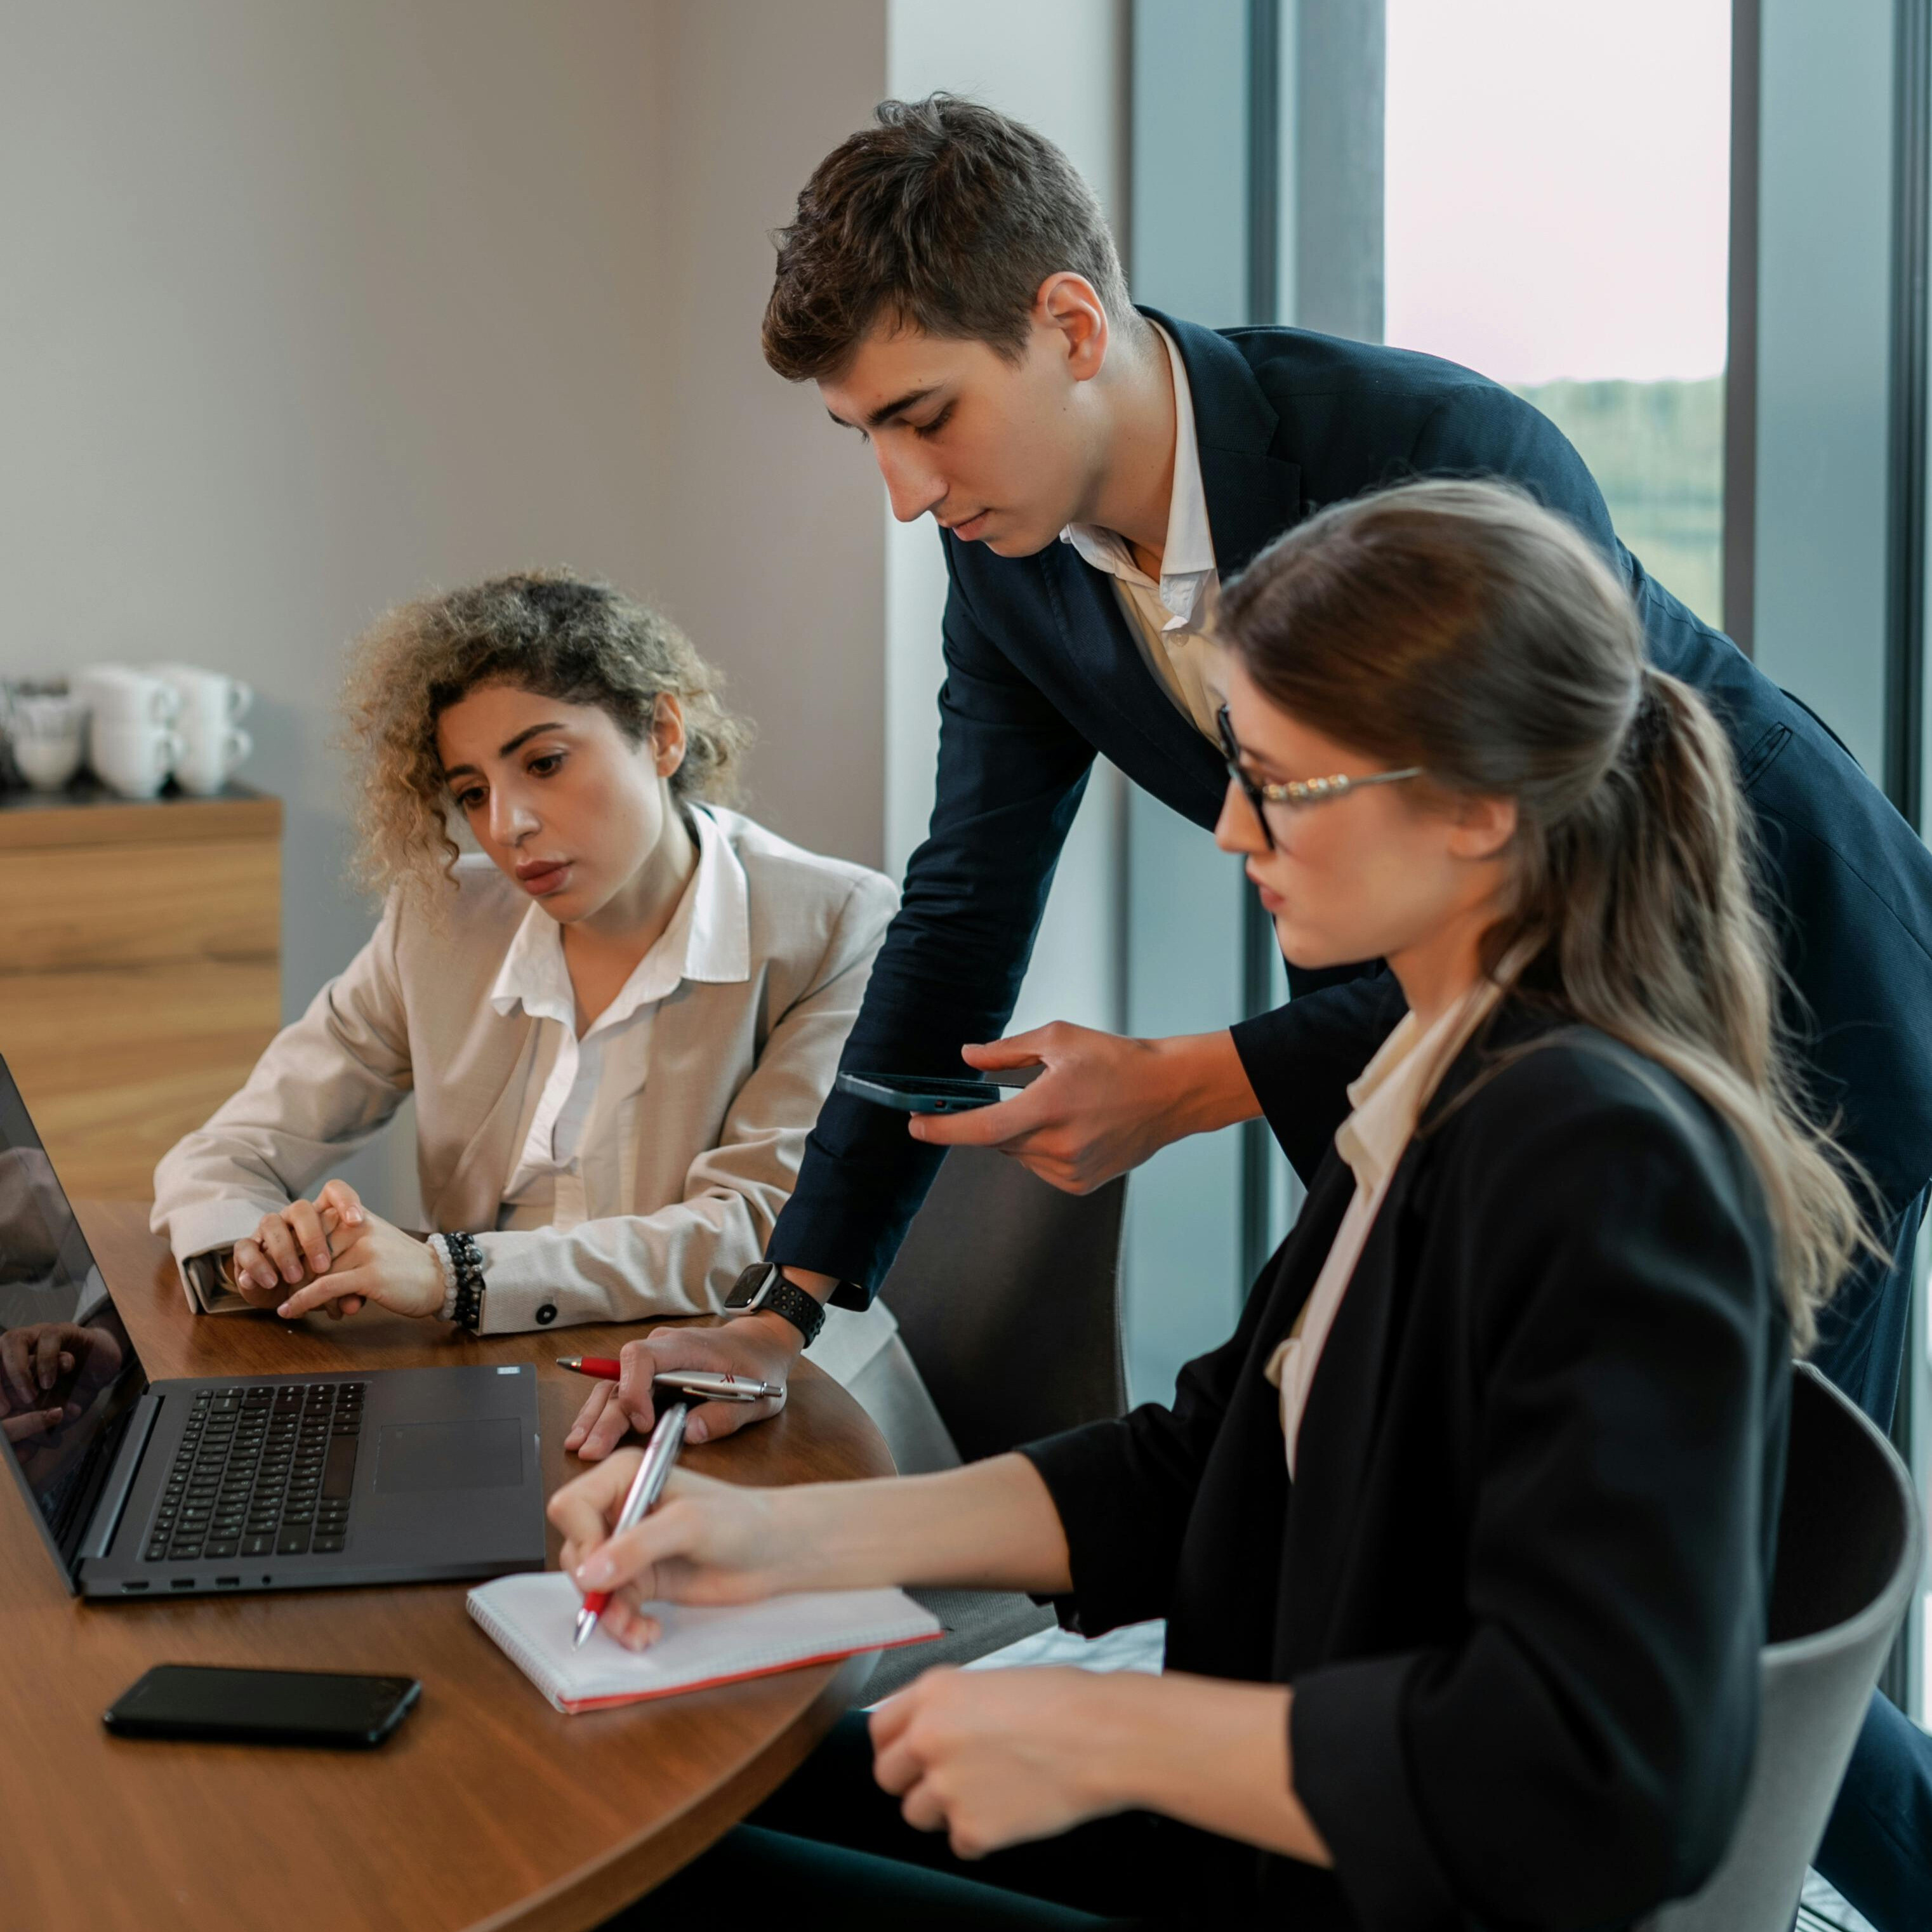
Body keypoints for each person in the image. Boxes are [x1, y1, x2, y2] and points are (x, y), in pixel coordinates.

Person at [599, 96, 1931, 1926]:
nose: (903, 493)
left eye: (920, 418)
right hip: (1481, 1028)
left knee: (1740, 1617)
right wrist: (795, 1314)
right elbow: (964, 913)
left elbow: (1598, 1753)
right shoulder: (1415, 1092)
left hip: (1791, 980)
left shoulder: (1430, 467)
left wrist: (1212, 1074)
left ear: (1068, 327)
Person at [150, 571, 954, 1474]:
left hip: (758, 1414)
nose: (510, 825)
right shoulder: (440, 926)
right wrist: (256, 1253)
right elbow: (223, 1156)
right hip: (508, 1397)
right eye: (472, 793)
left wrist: (454, 1274)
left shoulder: (837, 926)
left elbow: (754, 1234)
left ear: (662, 732)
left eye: (543, 763)